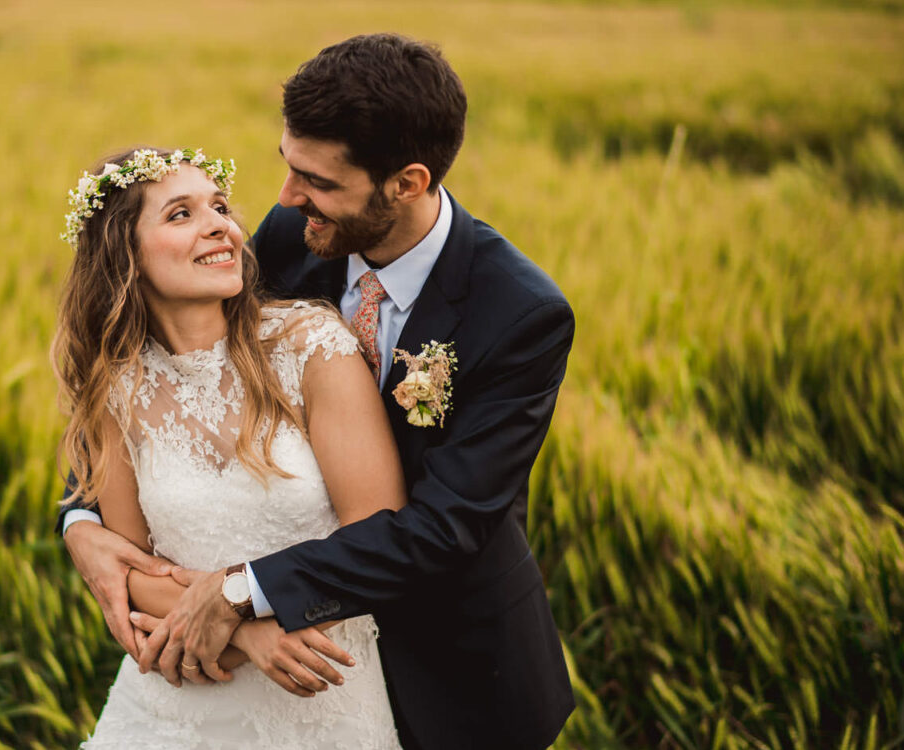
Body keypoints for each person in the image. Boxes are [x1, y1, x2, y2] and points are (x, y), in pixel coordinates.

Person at [60, 34, 577, 750]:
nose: (284, 200)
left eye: (320, 182)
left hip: (447, 659)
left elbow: (443, 527)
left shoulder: (518, 314)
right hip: (237, 677)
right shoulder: (290, 235)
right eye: (288, 168)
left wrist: (241, 595)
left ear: (407, 182)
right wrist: (81, 526)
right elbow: (161, 384)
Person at [53, 146, 406, 748]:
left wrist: (243, 606)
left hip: (321, 692)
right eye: (180, 214)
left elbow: (379, 532)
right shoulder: (114, 389)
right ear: (125, 258)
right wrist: (247, 632)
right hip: (179, 698)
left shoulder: (312, 346)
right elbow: (130, 570)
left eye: (219, 206)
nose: (222, 223)